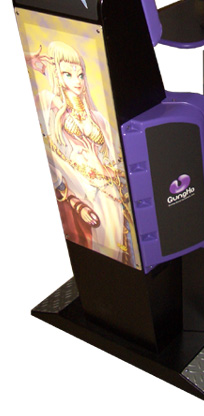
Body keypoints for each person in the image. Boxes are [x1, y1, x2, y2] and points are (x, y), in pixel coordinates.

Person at [26, 41, 137, 267]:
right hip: (81, 192)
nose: (77, 81)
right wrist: (32, 61)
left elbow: (117, 155)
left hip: (110, 191)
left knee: (122, 250)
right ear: (57, 75)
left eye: (80, 74)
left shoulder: (98, 118)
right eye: (68, 74)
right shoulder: (49, 102)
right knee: (98, 253)